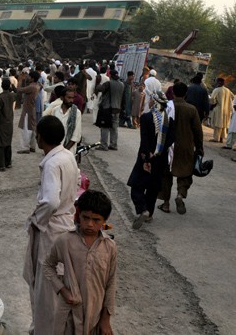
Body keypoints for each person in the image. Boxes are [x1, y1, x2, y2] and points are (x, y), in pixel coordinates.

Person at [22, 115, 80, 335]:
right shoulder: (67, 155)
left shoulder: (52, 164)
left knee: (46, 287)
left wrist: (38, 220)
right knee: (58, 280)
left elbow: (51, 200)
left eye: (37, 134)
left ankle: (44, 329)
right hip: (65, 224)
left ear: (41, 138)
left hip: (51, 229)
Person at [43, 190, 117, 335]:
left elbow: (111, 281)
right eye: (85, 218)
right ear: (78, 214)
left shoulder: (109, 247)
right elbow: (47, 266)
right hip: (68, 313)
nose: (89, 224)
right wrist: (63, 290)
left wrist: (106, 319)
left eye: (96, 220)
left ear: (105, 220)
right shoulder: (65, 241)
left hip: (95, 314)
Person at [127, 91, 172, 229]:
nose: (150, 102)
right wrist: (159, 152)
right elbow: (170, 140)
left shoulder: (146, 118)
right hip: (160, 159)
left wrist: (147, 156)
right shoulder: (169, 120)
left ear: (156, 102)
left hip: (146, 158)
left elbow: (144, 139)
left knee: (137, 185)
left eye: (152, 100)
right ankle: (150, 214)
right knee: (153, 188)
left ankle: (142, 210)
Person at [159, 82, 204, 215]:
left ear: (173, 93)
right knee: (185, 173)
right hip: (186, 147)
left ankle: (166, 204)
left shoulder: (166, 106)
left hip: (168, 147)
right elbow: (197, 131)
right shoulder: (191, 109)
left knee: (165, 175)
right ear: (186, 94)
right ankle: (180, 195)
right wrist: (200, 148)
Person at [94, 70, 125, 151]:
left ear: (110, 75)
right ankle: (113, 144)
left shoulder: (108, 83)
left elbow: (99, 88)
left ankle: (104, 145)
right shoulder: (122, 84)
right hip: (117, 109)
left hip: (107, 108)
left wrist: (98, 83)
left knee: (105, 127)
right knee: (114, 128)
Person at [0, 79, 15, 171]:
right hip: (10, 123)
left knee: (0, 144)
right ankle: (8, 163)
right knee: (8, 143)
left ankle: (1, 165)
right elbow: (18, 94)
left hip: (2, 123)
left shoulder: (0, 98)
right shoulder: (12, 95)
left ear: (1, 86)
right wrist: (13, 86)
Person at [17, 71, 42, 154]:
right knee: (32, 127)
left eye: (29, 77)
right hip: (32, 108)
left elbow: (19, 90)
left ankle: (25, 147)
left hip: (28, 109)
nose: (28, 77)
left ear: (32, 78)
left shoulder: (31, 87)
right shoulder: (37, 86)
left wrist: (20, 80)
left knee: (26, 128)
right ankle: (32, 146)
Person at [49, 87, 82, 152]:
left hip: (69, 151)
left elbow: (75, 136)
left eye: (72, 98)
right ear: (62, 98)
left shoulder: (77, 113)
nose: (71, 100)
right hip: (55, 148)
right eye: (69, 98)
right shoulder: (55, 110)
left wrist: (63, 151)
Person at [209, 78, 234, 143]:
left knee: (217, 124)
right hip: (226, 110)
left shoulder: (216, 90)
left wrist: (214, 103)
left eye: (216, 82)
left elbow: (212, 99)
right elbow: (233, 97)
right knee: (223, 124)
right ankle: (221, 138)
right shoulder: (228, 90)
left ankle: (216, 138)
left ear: (219, 82)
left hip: (218, 109)